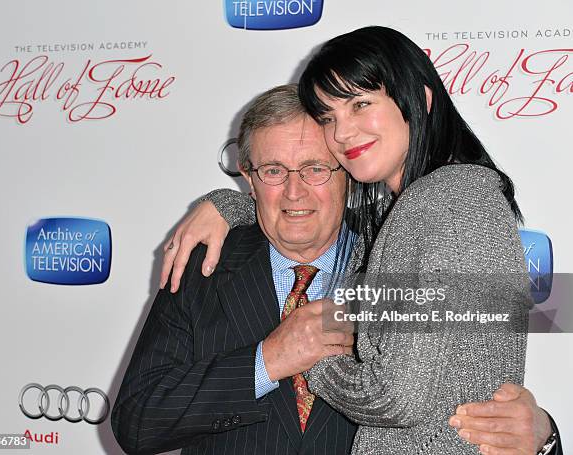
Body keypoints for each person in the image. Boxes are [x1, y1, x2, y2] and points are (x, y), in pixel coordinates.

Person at [158, 26, 562, 454]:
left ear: (419, 101)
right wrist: (227, 203)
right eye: (329, 118)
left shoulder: (438, 203)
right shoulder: (434, 205)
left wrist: (312, 353)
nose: (343, 133)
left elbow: (396, 398)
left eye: (360, 104)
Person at [111, 84, 359, 454]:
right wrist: (265, 362)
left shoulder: (395, 259)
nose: (295, 191)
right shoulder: (203, 265)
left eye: (315, 169)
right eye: (274, 170)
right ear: (248, 176)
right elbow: (138, 421)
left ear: (348, 172)